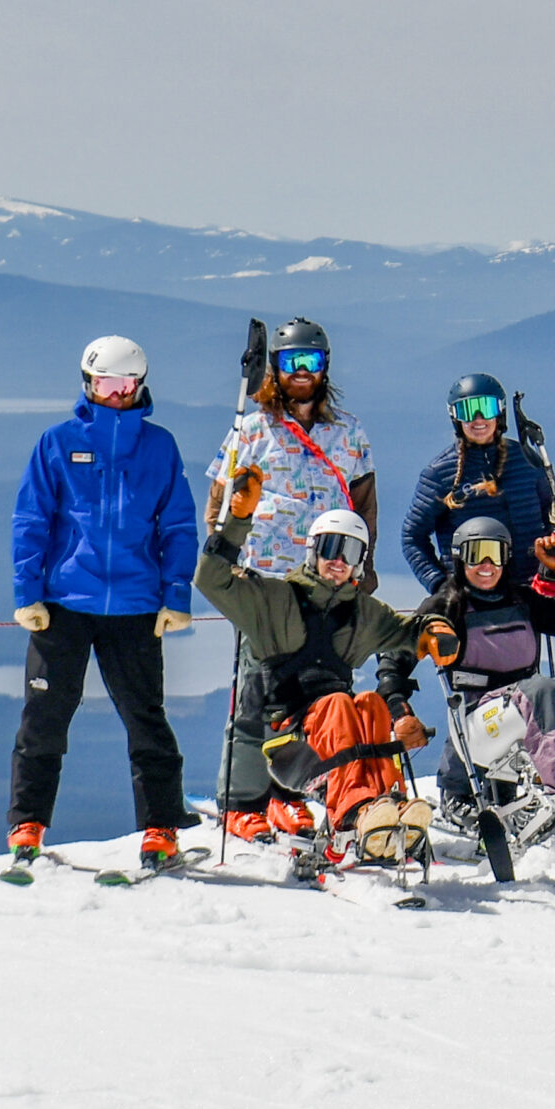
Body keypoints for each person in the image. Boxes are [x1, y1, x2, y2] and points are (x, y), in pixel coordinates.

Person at [6, 336, 202, 873]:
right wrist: (29, 595)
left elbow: (179, 526)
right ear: (87, 383)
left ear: (140, 385)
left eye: (125, 385)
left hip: (136, 607)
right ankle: (28, 824)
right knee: (45, 717)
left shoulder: (159, 446)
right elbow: (31, 521)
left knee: (146, 718)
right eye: (104, 385)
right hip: (64, 605)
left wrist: (175, 594)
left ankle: (161, 827)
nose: (115, 395)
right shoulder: (59, 441)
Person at [197, 476, 450, 861]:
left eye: (350, 553)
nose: (338, 560)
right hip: (287, 737)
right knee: (338, 703)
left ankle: (390, 804)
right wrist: (236, 523)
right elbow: (211, 581)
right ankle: (355, 811)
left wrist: (432, 632)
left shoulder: (361, 613)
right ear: (312, 550)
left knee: (368, 703)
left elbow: (405, 633)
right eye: (331, 547)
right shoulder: (275, 599)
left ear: (359, 565)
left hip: (335, 727)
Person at [203, 318, 380, 829]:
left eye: (312, 362)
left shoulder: (347, 433)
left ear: (326, 368)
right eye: (291, 362)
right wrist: (223, 559)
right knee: (256, 695)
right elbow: (221, 499)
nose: (302, 373)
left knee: (316, 698)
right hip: (263, 585)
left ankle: (290, 793)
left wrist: (360, 575)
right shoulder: (252, 429)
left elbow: (364, 505)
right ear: (275, 369)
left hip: (326, 588)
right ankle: (242, 804)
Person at [387, 515, 555, 828]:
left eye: (496, 553)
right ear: (461, 559)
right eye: (477, 555)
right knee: (541, 689)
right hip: (477, 722)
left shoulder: (522, 600)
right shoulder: (446, 606)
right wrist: (399, 709)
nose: (486, 565)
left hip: (521, 713)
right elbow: (395, 659)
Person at [400, 372, 555, 591]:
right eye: (467, 411)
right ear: (456, 418)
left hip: (531, 589)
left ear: (500, 413)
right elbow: (412, 537)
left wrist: (552, 561)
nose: (478, 419)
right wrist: (441, 585)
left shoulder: (526, 459)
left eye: (486, 408)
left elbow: (552, 517)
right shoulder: (439, 473)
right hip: (473, 597)